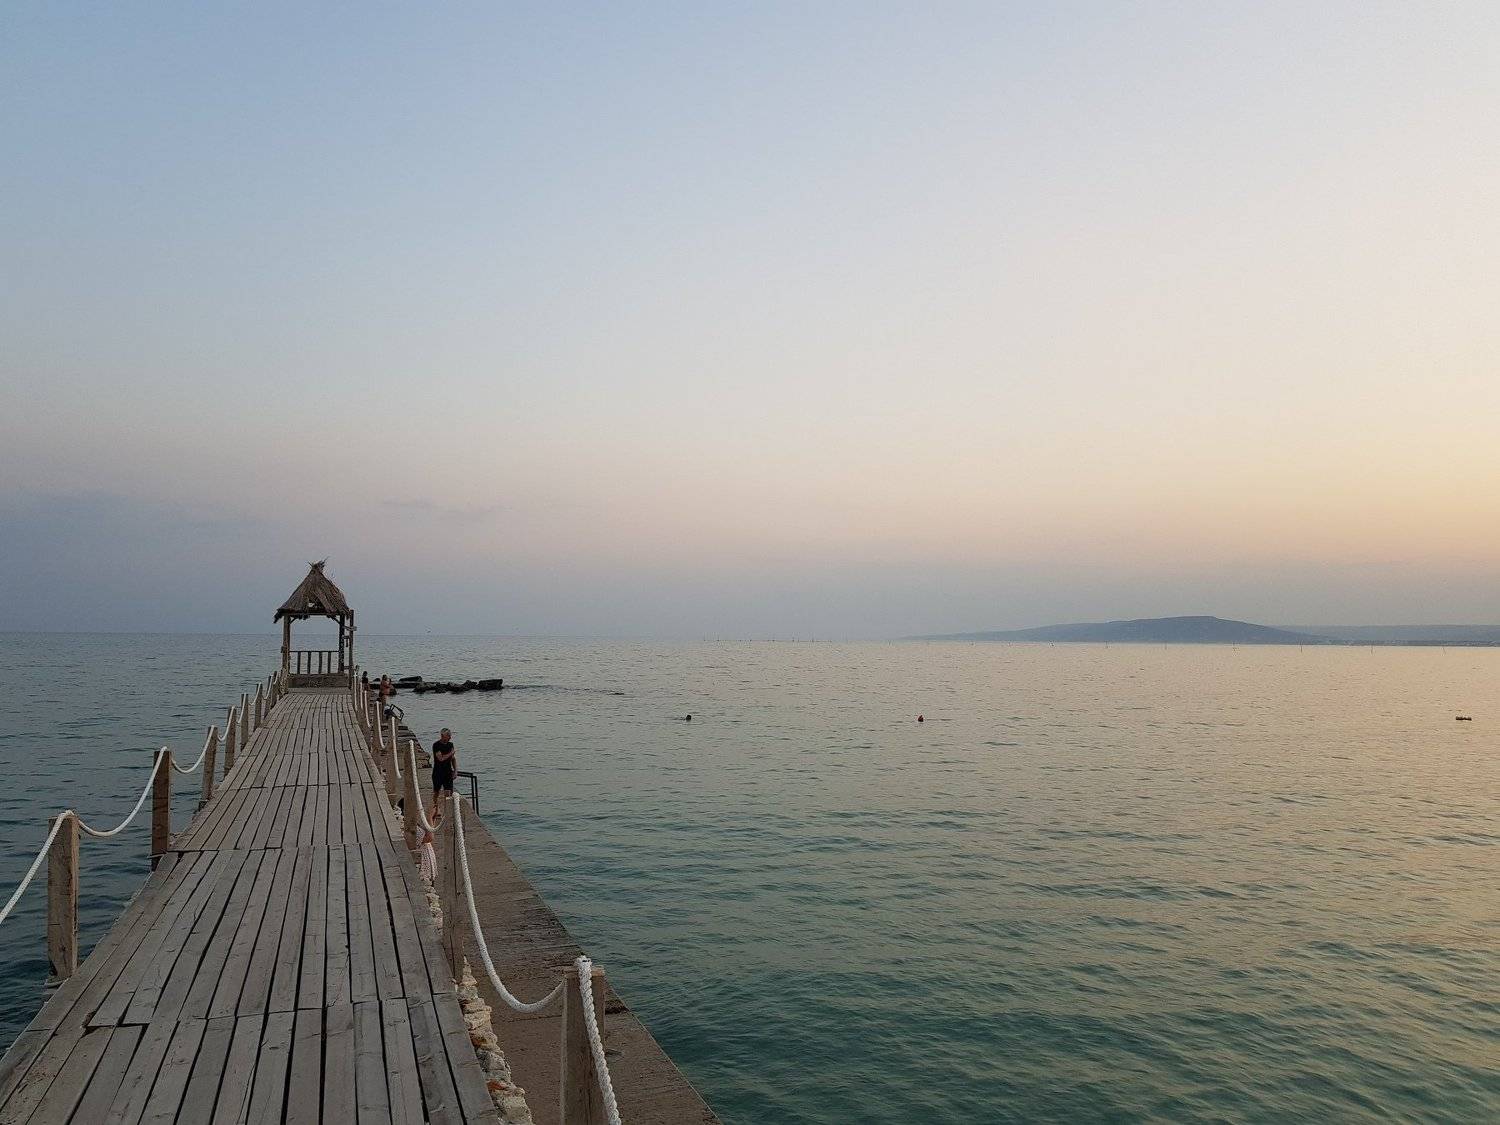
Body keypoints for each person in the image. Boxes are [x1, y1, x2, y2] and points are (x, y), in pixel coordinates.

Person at [429, 727, 456, 823]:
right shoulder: (436, 745)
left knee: (448, 792)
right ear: (442, 736)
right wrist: (451, 753)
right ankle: (436, 808)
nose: (450, 738)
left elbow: (453, 759)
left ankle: (448, 811)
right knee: (436, 791)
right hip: (438, 772)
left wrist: (455, 770)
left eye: (450, 736)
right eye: (448, 736)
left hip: (448, 772)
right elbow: (441, 758)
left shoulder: (450, 745)